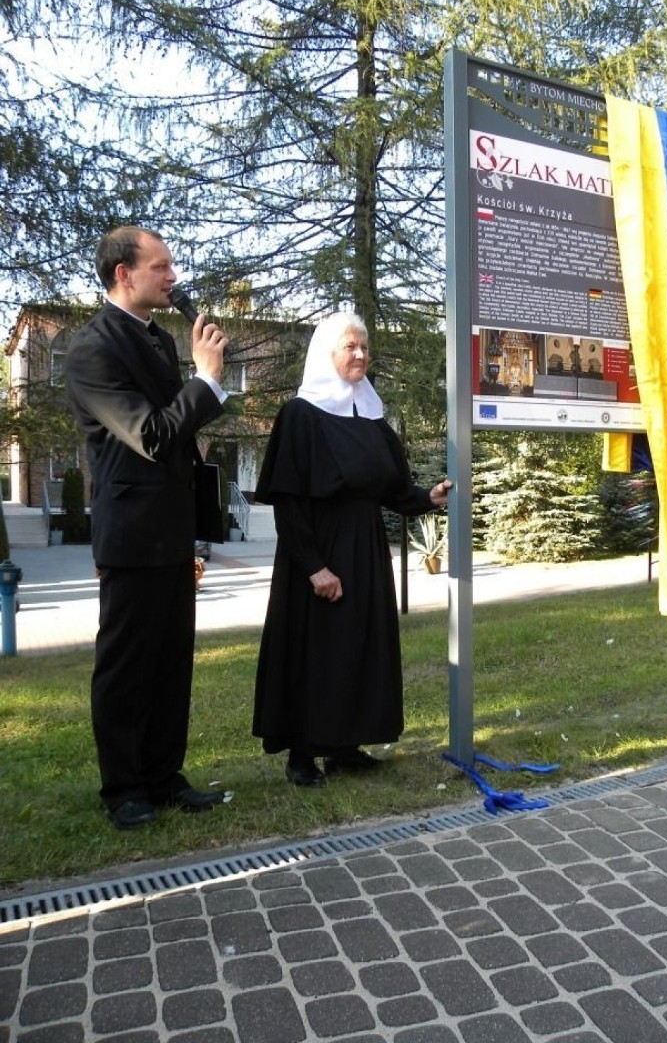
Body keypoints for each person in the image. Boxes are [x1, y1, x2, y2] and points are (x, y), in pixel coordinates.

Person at [64, 225, 230, 829]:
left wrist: (200, 374)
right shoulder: (92, 349)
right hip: (132, 534)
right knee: (128, 665)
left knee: (170, 661)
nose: (173, 276)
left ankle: (164, 776)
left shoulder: (158, 341)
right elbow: (155, 435)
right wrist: (207, 379)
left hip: (171, 527)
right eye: (160, 266)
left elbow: (179, 429)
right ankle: (124, 789)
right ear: (123, 274)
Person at [253, 312, 451, 788]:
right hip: (317, 548)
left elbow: (388, 488)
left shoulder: (372, 415)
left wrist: (427, 498)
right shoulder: (300, 415)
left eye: (364, 346)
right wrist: (314, 567)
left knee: (357, 646)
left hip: (364, 547)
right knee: (314, 649)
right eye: (350, 347)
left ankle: (345, 746)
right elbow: (289, 502)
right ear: (327, 352)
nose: (360, 354)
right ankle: (302, 752)